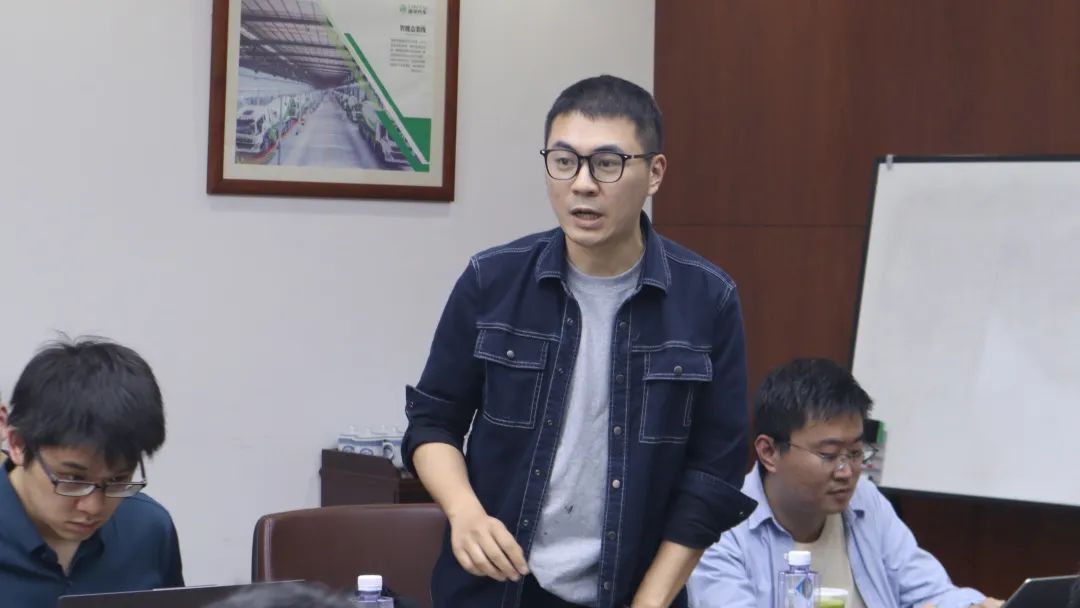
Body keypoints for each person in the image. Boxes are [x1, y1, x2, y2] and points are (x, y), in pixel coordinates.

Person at [403, 75, 756, 608]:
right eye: (564, 161)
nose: (583, 184)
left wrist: (651, 601)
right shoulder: (492, 281)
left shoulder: (708, 300)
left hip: (633, 592)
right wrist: (464, 513)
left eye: (607, 164)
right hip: (498, 592)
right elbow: (432, 422)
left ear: (655, 173)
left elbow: (713, 475)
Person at [687, 358, 1003, 608]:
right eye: (829, 454)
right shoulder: (721, 531)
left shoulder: (865, 501)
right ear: (769, 452)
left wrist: (972, 605)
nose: (847, 471)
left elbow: (930, 591)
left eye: (855, 452)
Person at [0, 336, 183, 605]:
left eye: (118, 479)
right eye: (74, 479)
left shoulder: (148, 528)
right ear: (18, 444)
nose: (93, 508)